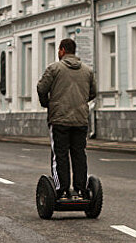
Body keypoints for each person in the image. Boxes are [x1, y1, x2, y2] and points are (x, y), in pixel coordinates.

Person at [37, 38, 97, 200]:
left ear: (62, 50)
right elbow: (93, 93)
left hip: (59, 119)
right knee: (79, 154)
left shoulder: (54, 69)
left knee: (60, 154)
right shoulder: (87, 71)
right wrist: (80, 102)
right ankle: (81, 190)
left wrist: (47, 104)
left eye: (58, 50)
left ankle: (61, 189)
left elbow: (41, 88)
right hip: (80, 120)